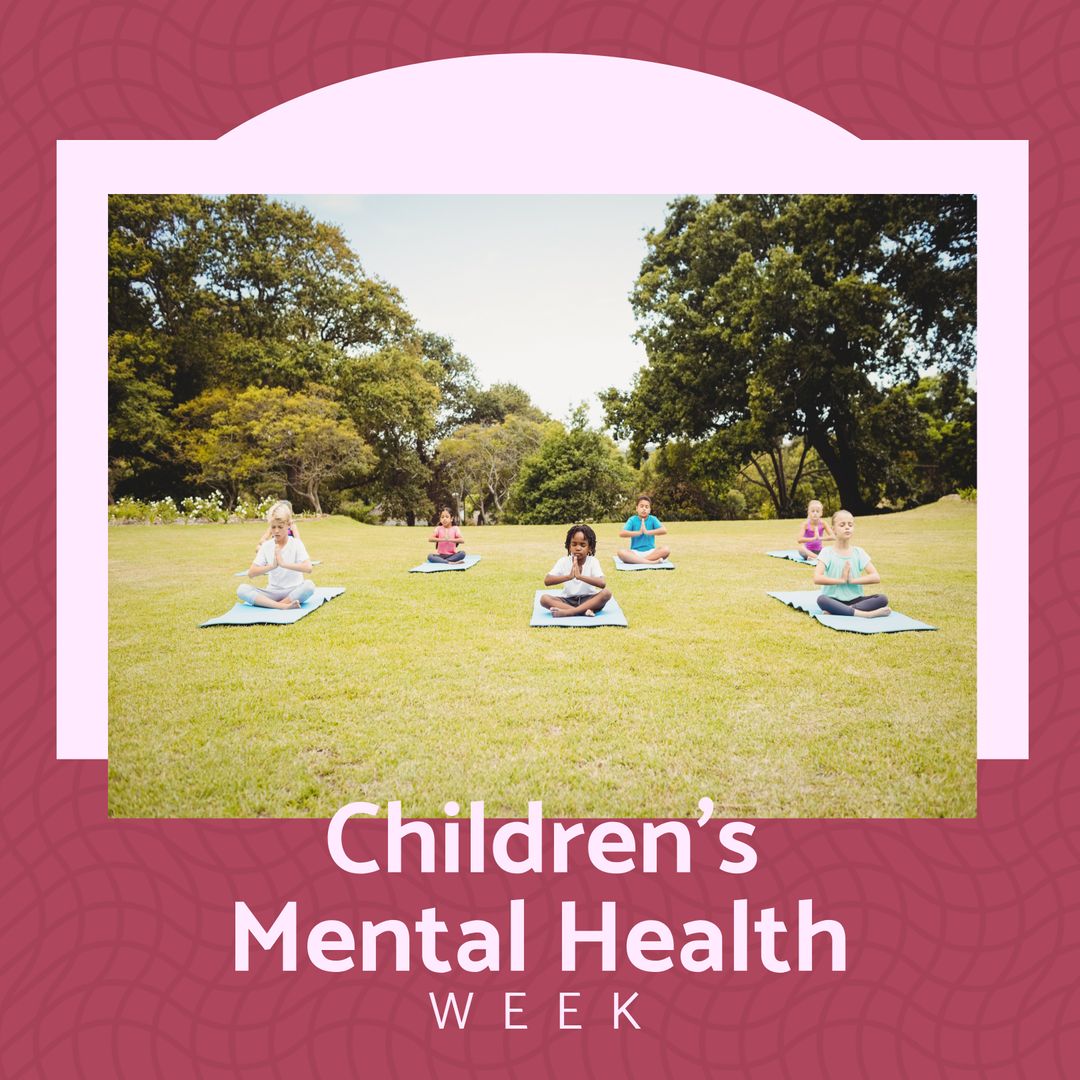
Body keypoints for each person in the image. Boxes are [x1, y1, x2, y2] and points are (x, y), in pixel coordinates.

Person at [812, 510, 891, 617]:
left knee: (882, 598)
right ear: (833, 529)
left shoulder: (859, 552)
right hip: (833, 600)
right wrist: (841, 580)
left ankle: (843, 610)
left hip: (856, 601)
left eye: (850, 524)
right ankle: (866, 614)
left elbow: (876, 577)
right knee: (821, 600)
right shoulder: (826, 552)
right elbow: (817, 578)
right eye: (842, 525)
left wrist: (853, 580)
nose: (847, 527)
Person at [237, 504, 315, 609]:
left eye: (280, 527)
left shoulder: (296, 544)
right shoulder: (266, 546)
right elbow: (251, 573)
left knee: (309, 586)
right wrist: (272, 566)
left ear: (288, 525)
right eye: (273, 527)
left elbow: (308, 568)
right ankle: (281, 606)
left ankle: (278, 604)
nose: (276, 531)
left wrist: (283, 564)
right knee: (242, 590)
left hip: (293, 591)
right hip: (272, 592)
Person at [541, 524, 612, 618]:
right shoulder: (563, 561)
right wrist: (569, 577)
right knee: (544, 599)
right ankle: (582, 611)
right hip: (567, 600)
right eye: (574, 544)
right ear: (569, 546)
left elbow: (602, 583)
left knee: (606, 593)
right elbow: (547, 581)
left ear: (590, 548)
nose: (578, 548)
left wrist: (580, 577)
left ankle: (569, 612)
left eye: (583, 545)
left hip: (589, 600)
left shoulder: (593, 561)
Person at [616, 495, 670, 564]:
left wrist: (647, 532)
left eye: (646, 507)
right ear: (637, 508)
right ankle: (650, 562)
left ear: (650, 510)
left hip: (651, 552)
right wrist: (639, 532)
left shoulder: (653, 519)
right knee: (621, 552)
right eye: (641, 506)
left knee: (666, 549)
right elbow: (622, 533)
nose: (644, 509)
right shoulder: (632, 520)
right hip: (635, 552)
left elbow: (664, 530)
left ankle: (640, 561)